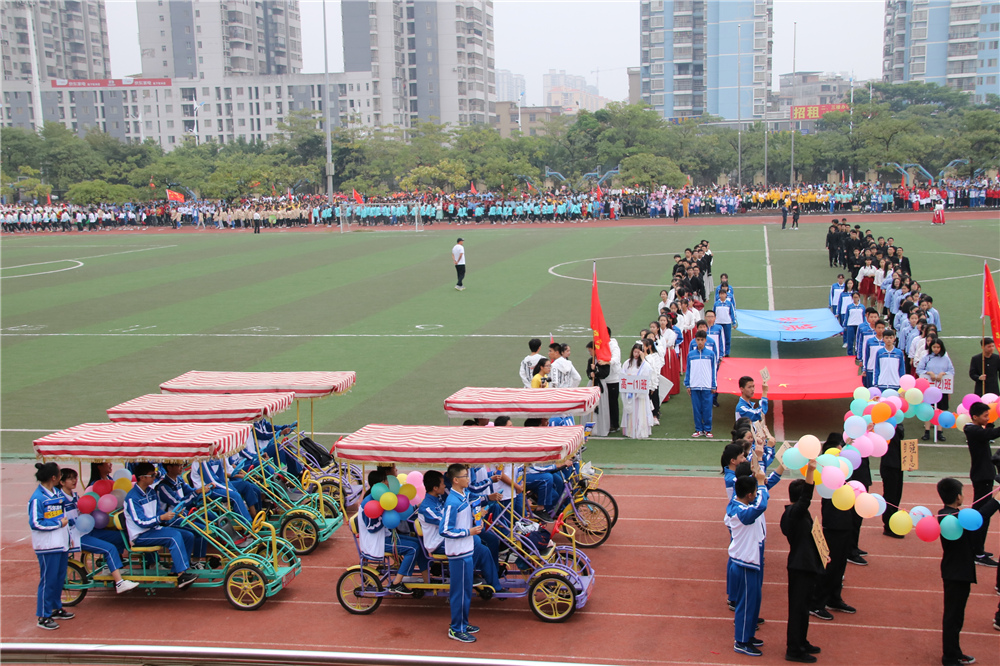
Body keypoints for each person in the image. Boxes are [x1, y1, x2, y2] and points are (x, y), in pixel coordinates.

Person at [936, 477, 1000, 666]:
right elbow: (981, 516)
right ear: (958, 497)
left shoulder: (945, 514)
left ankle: (955, 652)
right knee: (953, 617)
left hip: (955, 570)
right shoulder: (953, 518)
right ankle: (949, 657)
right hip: (957, 573)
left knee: (956, 616)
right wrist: (997, 500)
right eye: (962, 493)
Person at [59, 469, 140, 593]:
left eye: (75, 477)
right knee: (109, 548)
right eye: (70, 478)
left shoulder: (75, 496)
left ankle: (110, 567)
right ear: (62, 482)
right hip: (76, 537)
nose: (74, 480)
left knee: (120, 537)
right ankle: (119, 583)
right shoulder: (60, 500)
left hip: (88, 530)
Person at [122, 463, 199, 589]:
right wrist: (161, 518)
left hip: (153, 529)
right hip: (141, 535)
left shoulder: (151, 492)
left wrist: (172, 515)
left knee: (188, 536)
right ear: (142, 477)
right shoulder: (132, 498)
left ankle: (176, 571)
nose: (156, 477)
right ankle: (181, 575)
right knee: (174, 536)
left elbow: (157, 511)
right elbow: (140, 522)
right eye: (152, 475)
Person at [781, 461, 824, 663]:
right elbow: (806, 498)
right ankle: (794, 650)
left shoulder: (795, 513)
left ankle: (802, 642)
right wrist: (811, 473)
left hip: (805, 565)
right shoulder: (794, 513)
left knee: (803, 608)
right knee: (798, 610)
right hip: (800, 567)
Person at [726, 468, 769, 657]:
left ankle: (749, 635)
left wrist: (759, 482)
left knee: (754, 602)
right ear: (749, 495)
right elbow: (761, 506)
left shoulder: (739, 504)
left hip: (751, 561)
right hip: (744, 563)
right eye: (755, 492)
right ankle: (741, 641)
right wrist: (761, 484)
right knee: (746, 604)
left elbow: (759, 502)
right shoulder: (741, 512)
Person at [441, 463, 482, 643]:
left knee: (466, 591)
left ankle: (463, 623)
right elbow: (444, 530)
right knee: (459, 592)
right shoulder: (452, 502)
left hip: (466, 550)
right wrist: (468, 532)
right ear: (456, 480)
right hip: (458, 554)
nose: (468, 479)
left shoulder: (463, 496)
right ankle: (456, 628)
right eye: (465, 476)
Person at [29, 462, 72, 630]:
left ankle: (55, 607)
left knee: (59, 578)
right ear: (54, 477)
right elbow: (35, 523)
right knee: (48, 580)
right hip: (47, 546)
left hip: (61, 544)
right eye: (60, 474)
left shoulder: (57, 494)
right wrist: (58, 524)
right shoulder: (37, 498)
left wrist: (68, 536)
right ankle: (43, 616)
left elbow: (64, 516)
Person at [964, 402, 1000, 567]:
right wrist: (991, 428)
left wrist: (990, 424)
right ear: (975, 417)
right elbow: (990, 434)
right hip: (982, 477)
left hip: (983, 476)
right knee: (981, 515)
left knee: (981, 514)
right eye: (985, 416)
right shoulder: (972, 430)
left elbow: (987, 433)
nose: (987, 418)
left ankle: (977, 548)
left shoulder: (977, 429)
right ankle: (977, 552)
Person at [919, 339, 955, 442]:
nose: (936, 349)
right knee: (928, 409)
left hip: (941, 388)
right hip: (929, 389)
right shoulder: (926, 358)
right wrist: (928, 373)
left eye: (938, 347)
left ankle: (939, 431)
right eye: (934, 347)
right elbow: (919, 370)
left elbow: (951, 371)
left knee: (940, 409)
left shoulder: (946, 359)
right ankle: (927, 431)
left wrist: (943, 374)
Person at [685, 331, 718, 438]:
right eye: (698, 340)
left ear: (705, 340)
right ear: (695, 340)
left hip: (707, 386)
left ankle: (707, 429)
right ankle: (698, 429)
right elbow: (688, 370)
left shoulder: (711, 354)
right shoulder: (691, 354)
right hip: (694, 386)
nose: (700, 342)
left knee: (707, 408)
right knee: (696, 409)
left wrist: (713, 385)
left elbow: (714, 370)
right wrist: (688, 384)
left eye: (702, 340)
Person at [621, 343, 654, 439]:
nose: (636, 354)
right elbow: (622, 373)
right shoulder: (627, 363)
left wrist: (643, 359)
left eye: (638, 352)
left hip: (639, 393)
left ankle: (640, 429)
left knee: (640, 411)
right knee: (630, 411)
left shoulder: (644, 364)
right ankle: (630, 430)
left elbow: (648, 372)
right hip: (630, 391)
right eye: (634, 352)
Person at [881, 423, 907, 539]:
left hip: (898, 464)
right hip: (889, 465)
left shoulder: (898, 425)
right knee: (890, 497)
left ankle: (893, 523)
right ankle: (888, 526)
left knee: (896, 496)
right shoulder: (885, 426)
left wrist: (908, 462)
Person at [713, 286, 736, 356]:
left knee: (727, 338)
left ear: (726, 295)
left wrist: (734, 322)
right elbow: (713, 313)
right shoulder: (716, 304)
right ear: (719, 295)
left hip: (727, 323)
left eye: (723, 294)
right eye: (721, 294)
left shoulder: (729, 304)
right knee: (719, 338)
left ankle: (727, 353)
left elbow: (732, 313)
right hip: (718, 323)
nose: (722, 295)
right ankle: (719, 352)